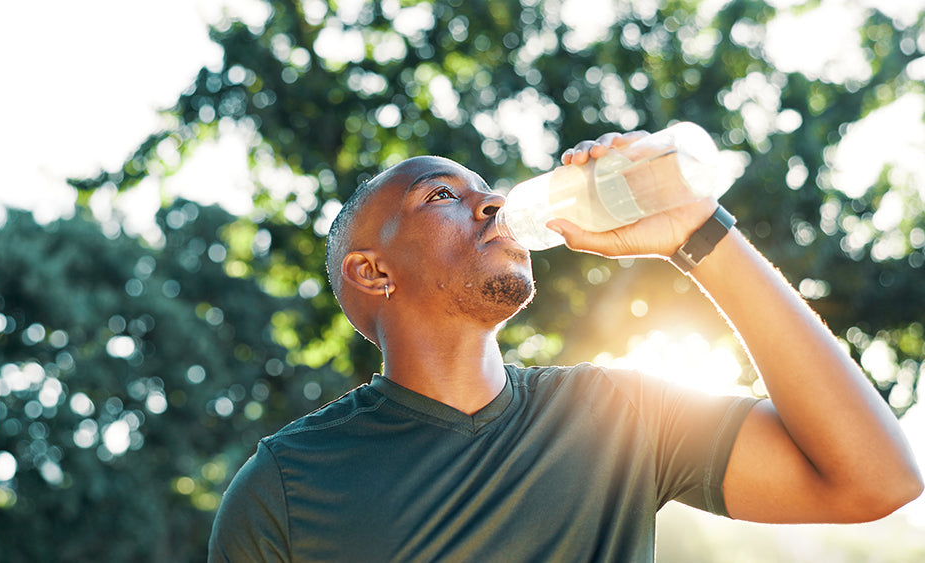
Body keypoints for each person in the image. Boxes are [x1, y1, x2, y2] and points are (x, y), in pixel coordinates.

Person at [208, 131, 923, 562]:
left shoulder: (619, 415)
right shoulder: (285, 490)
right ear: (372, 271)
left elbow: (876, 478)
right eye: (441, 196)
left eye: (488, 190)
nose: (491, 202)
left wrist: (698, 233)